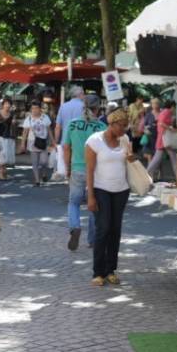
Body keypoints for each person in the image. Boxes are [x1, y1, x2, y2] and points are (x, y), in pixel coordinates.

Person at [85, 108, 133, 286]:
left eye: (126, 126)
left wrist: (132, 158)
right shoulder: (94, 141)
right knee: (103, 228)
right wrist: (90, 196)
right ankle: (98, 272)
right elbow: (89, 170)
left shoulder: (125, 139)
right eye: (121, 126)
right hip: (101, 189)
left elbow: (130, 162)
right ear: (111, 124)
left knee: (115, 229)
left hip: (121, 189)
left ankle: (111, 269)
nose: (124, 130)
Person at [63, 94, 106, 251]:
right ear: (98, 108)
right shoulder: (102, 127)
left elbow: (66, 147)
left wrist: (67, 168)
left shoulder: (72, 124)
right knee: (93, 204)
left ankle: (75, 226)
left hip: (77, 168)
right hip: (96, 172)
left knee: (73, 202)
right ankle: (93, 240)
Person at [21, 100, 55, 186]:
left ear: (40, 109)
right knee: (35, 162)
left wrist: (53, 141)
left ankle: (43, 173)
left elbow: (49, 130)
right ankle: (37, 180)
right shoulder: (28, 119)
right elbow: (25, 132)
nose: (34, 110)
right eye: (32, 108)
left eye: (36, 108)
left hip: (43, 141)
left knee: (44, 161)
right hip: (32, 142)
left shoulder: (45, 117)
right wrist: (22, 144)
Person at [54, 85, 85, 178]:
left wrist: (56, 141)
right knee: (79, 160)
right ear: (80, 94)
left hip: (65, 139)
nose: (84, 95)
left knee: (67, 160)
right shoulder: (84, 106)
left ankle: (68, 173)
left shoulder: (63, 106)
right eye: (83, 93)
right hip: (80, 139)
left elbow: (58, 126)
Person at [146, 100, 177, 180]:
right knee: (170, 158)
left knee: (159, 158)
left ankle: (147, 174)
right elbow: (161, 123)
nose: (174, 109)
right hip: (164, 138)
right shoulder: (167, 112)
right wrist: (170, 128)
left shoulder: (164, 112)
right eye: (174, 107)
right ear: (172, 106)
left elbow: (159, 123)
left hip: (162, 137)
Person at [0, 98, 17, 180]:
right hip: (0, 137)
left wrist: (14, 122)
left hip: (9, 137)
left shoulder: (12, 114)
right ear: (3, 104)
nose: (7, 105)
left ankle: (4, 170)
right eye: (6, 103)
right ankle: (1, 172)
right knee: (1, 154)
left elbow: (14, 125)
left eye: (9, 104)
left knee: (7, 155)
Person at [142, 98, 162, 162]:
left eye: (156, 103)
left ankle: (160, 172)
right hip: (150, 138)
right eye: (153, 103)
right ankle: (149, 172)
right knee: (150, 156)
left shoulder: (162, 113)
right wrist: (146, 130)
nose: (155, 105)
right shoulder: (148, 115)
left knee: (158, 158)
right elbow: (143, 126)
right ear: (151, 105)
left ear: (159, 104)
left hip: (159, 138)